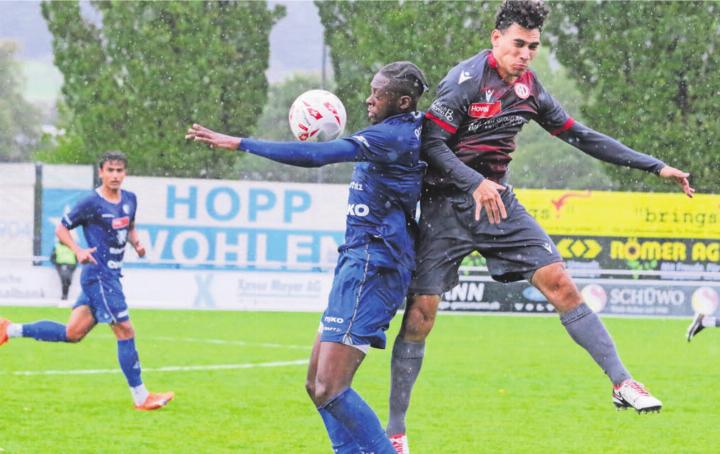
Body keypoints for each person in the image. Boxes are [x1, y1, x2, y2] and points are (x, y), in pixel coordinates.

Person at [386, 1, 695, 450]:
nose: (526, 54)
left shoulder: (530, 88)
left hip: (498, 205)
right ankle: (395, 431)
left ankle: (623, 382)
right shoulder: (464, 82)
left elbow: (581, 135)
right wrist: (474, 183)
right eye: (518, 44)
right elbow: (431, 145)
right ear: (496, 39)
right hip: (445, 207)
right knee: (420, 316)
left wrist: (655, 167)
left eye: (533, 46)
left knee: (561, 284)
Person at [186, 61, 428, 454]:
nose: (369, 98)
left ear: (402, 101)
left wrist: (240, 142)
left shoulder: (392, 137)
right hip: (359, 260)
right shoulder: (405, 127)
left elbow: (318, 157)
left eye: (377, 93)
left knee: (331, 387)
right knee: (315, 382)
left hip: (375, 264)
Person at [0, 151, 174, 411]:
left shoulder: (130, 199)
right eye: (110, 170)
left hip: (111, 276)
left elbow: (129, 226)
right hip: (99, 277)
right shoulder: (91, 202)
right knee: (125, 330)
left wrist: (136, 242)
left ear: (125, 173)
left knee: (72, 333)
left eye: (120, 170)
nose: (115, 175)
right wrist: (78, 250)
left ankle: (9, 329)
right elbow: (61, 228)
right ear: (101, 172)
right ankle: (141, 397)